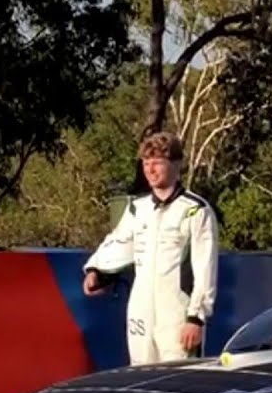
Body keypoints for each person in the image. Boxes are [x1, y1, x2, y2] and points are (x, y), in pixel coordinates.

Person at [83, 132, 220, 366]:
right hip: (140, 313)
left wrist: (195, 318)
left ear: (176, 165)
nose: (150, 169)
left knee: (179, 381)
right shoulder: (137, 208)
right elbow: (118, 242)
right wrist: (96, 271)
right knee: (141, 378)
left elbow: (205, 268)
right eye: (146, 163)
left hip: (177, 315)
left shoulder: (196, 210)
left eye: (157, 162)